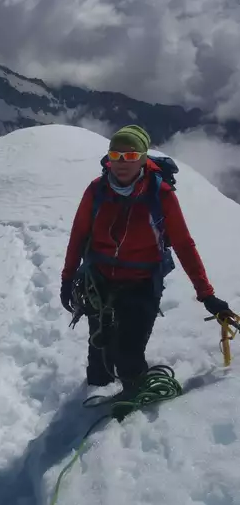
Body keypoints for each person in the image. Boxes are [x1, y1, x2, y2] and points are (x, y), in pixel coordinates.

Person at [60, 125, 231, 394]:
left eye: (130, 156)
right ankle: (97, 397)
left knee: (128, 356)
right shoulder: (96, 191)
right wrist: (67, 279)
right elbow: (78, 236)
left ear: (143, 158)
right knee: (98, 362)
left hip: (142, 284)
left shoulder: (159, 194)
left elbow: (184, 244)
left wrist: (206, 294)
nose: (121, 163)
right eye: (115, 155)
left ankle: (133, 407)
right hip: (99, 282)